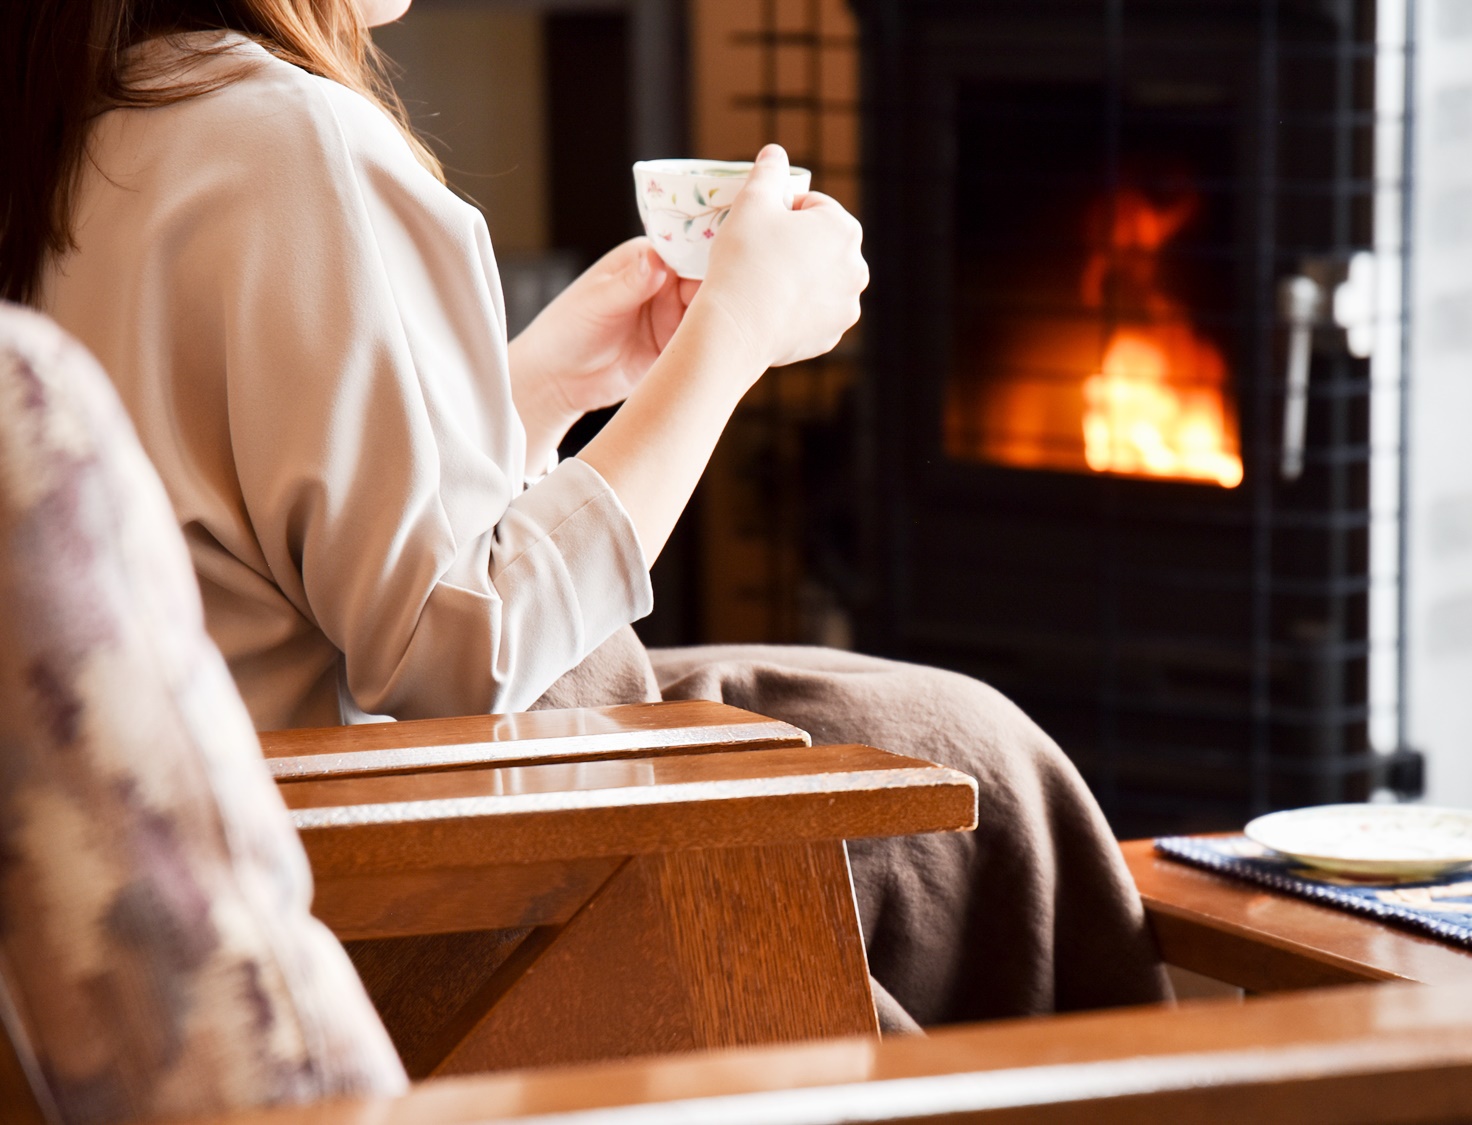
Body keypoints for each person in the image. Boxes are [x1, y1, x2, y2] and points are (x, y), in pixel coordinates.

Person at [2, 0, 1170, 1027]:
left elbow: (277, 529)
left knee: (940, 729)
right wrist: (728, 346)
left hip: (252, 831)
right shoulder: (290, 140)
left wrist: (551, 380)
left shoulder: (91, 131)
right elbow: (459, 656)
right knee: (979, 777)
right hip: (398, 871)